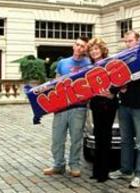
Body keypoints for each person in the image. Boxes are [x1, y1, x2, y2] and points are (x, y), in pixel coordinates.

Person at [109, 30, 140, 188]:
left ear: (138, 41)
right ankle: (126, 170)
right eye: (126, 41)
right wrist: (117, 89)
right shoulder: (123, 59)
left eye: (130, 41)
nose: (128, 44)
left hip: (139, 106)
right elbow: (116, 80)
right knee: (125, 140)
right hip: (124, 105)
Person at [43, 36, 91, 177]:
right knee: (57, 138)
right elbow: (56, 83)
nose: (79, 48)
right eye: (77, 44)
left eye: (82, 46)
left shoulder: (89, 64)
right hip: (61, 106)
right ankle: (58, 165)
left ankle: (74, 165)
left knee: (76, 138)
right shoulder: (63, 63)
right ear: (73, 46)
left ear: (85, 49)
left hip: (79, 107)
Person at [87, 37, 118, 182]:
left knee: (106, 137)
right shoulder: (89, 67)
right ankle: (96, 170)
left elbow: (120, 79)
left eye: (96, 49)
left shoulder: (110, 63)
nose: (94, 52)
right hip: (96, 104)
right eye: (91, 50)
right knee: (98, 136)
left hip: (108, 104)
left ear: (102, 50)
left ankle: (104, 172)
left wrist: (112, 92)